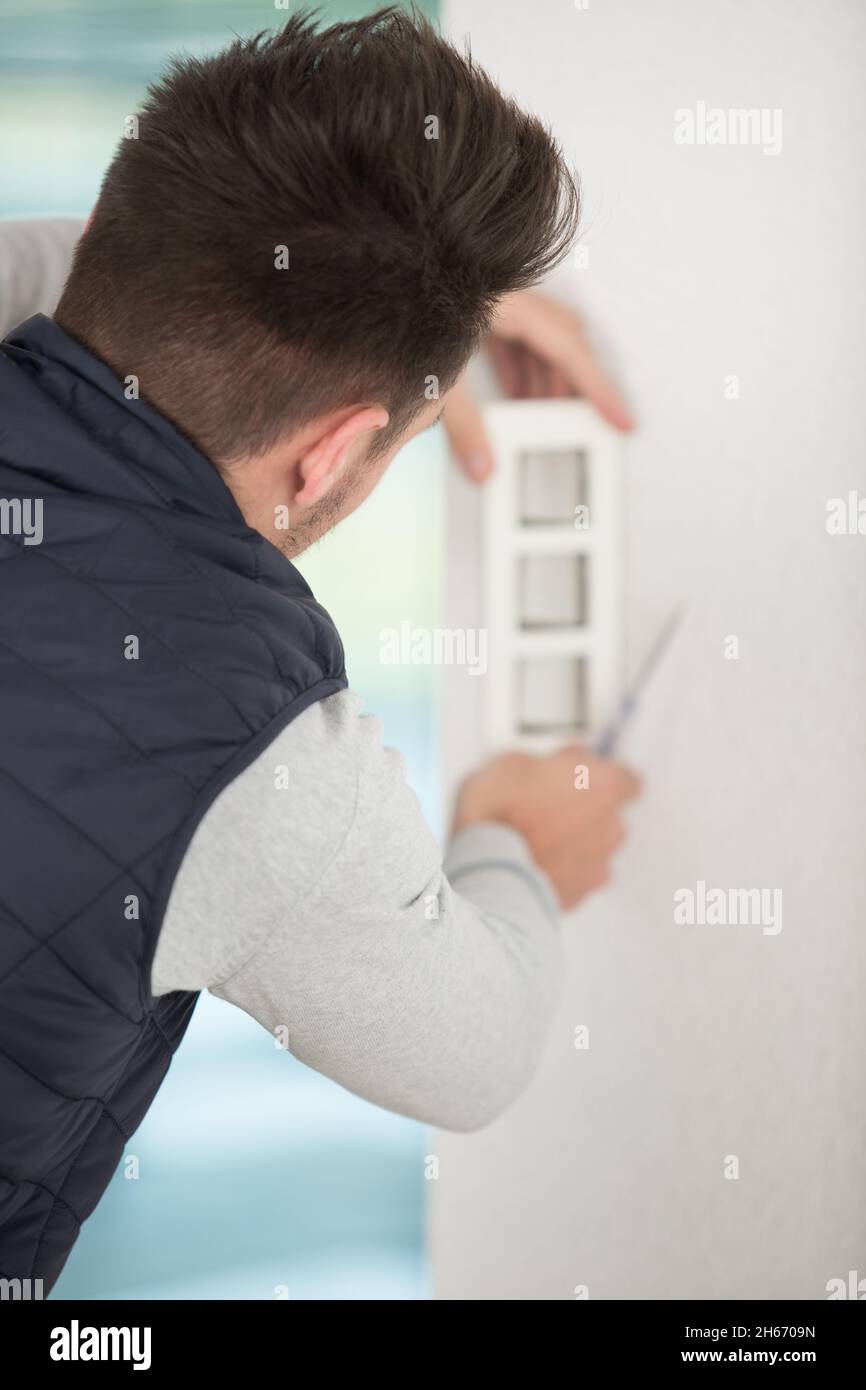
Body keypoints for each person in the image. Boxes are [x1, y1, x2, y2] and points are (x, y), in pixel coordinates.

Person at [0, 7, 639, 1292]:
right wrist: (510, 838)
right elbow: (476, 1050)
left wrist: (408, 329)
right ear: (338, 452)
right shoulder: (255, 760)